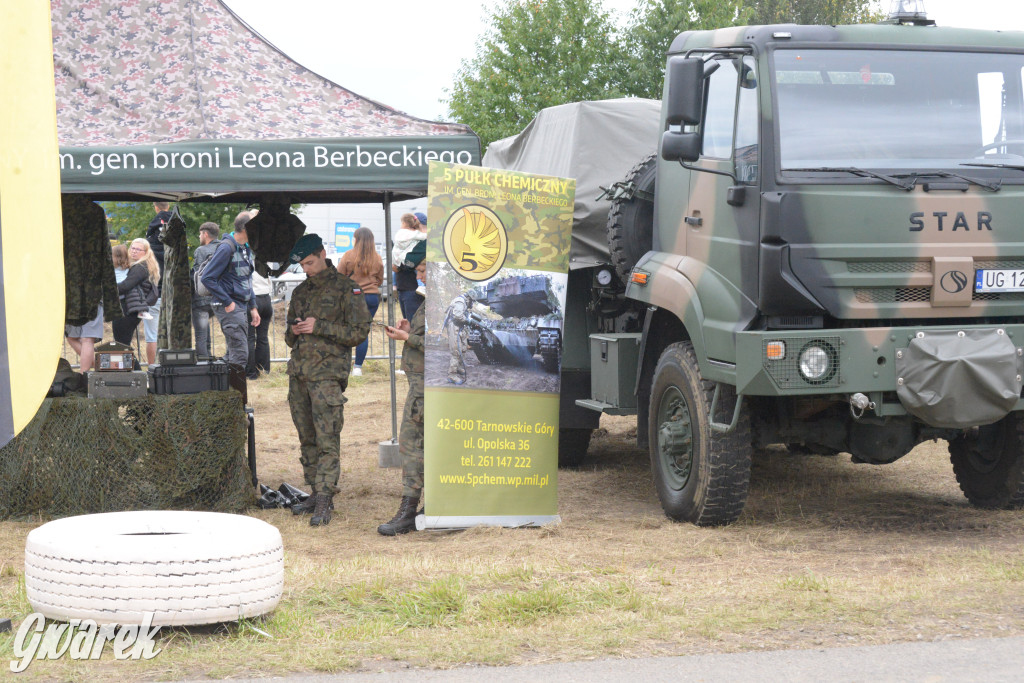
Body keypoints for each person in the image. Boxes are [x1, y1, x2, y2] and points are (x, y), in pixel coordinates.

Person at [284, 233, 370, 527]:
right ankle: (313, 489)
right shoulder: (300, 292)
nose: (306, 269)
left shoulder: (348, 289)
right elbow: (287, 335)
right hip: (300, 375)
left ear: (322, 254)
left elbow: (359, 332)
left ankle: (325, 495)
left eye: (310, 262)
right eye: (302, 266)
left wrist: (319, 327)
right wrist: (294, 331)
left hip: (327, 377)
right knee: (306, 436)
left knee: (327, 438)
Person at [378, 257, 427, 536]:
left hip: (427, 387)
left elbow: (445, 344)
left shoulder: (441, 301)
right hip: (421, 384)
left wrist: (408, 338)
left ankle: (410, 510)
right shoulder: (431, 300)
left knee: (411, 444)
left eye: (422, 271)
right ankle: (419, 508)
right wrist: (411, 331)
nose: (419, 277)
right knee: (416, 444)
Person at [201, 211, 260, 403]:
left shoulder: (244, 247)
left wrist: (253, 307)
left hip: (241, 305)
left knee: (232, 354)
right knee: (240, 353)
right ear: (246, 229)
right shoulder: (226, 248)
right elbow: (207, 278)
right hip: (229, 306)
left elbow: (246, 279)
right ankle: (236, 401)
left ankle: (218, 392)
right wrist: (228, 302)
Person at [337, 226, 384, 376]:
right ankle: (357, 367)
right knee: (363, 332)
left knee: (348, 330)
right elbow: (380, 280)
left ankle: (343, 364)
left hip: (353, 297)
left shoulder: (348, 255)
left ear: (356, 239)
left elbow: (339, 276)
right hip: (371, 297)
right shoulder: (376, 257)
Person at [112, 238, 160, 347]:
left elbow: (126, 285)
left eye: (138, 249)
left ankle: (134, 365)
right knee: (122, 345)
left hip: (129, 309)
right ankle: (132, 364)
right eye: (132, 248)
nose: (134, 251)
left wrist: (107, 290)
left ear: (145, 252)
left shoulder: (141, 267)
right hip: (130, 308)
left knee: (122, 346)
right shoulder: (137, 265)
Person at [143, 202, 171, 365]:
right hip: (173, 294)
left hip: (154, 294)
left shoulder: (149, 245)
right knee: (171, 335)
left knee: (152, 336)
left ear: (155, 207)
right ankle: (171, 367)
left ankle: (153, 368)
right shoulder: (176, 238)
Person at [191, 222, 221, 359]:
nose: (199, 237)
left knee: (201, 334)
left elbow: (197, 274)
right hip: (220, 297)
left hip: (202, 298)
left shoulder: (201, 251)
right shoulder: (224, 247)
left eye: (200, 234)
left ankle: (203, 360)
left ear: (205, 234)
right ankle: (209, 357)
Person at [392, 212, 428, 320]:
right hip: (403, 287)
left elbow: (406, 263)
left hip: (412, 290)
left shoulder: (422, 242)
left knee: (413, 324)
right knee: (408, 323)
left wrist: (400, 265)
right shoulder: (410, 239)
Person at [246, 269, 273, 379]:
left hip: (252, 299)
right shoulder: (265, 256)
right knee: (263, 338)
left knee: (250, 338)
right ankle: (263, 370)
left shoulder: (244, 256)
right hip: (266, 298)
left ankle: (251, 373)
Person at [444, 291, 474, 385]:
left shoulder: (464, 302)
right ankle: (452, 375)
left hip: (461, 327)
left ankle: (458, 367)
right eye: (472, 301)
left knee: (464, 348)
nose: (472, 303)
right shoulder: (460, 301)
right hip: (455, 327)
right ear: (469, 298)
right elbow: (457, 316)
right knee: (456, 351)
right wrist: (467, 320)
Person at [65, 304, 103, 373]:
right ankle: (97, 368)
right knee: (87, 340)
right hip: (93, 299)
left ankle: (84, 376)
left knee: (72, 337)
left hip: (73, 300)